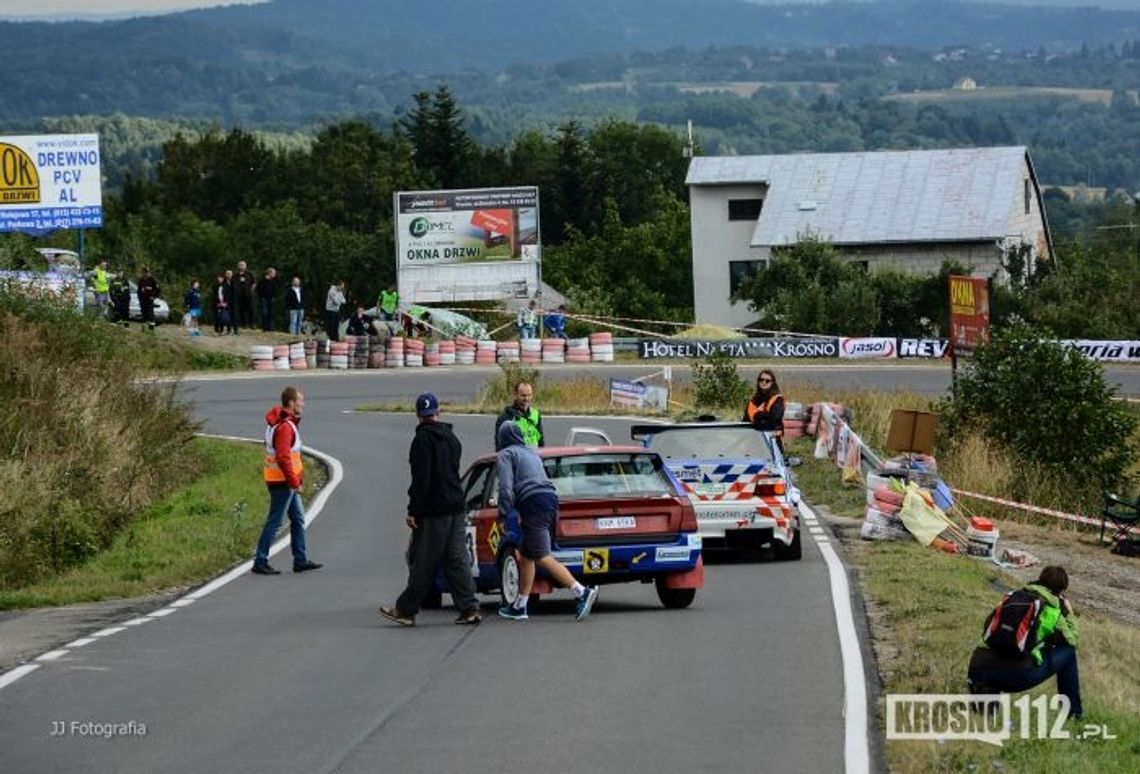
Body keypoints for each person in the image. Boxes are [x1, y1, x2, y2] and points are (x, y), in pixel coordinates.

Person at [379, 393, 482, 627]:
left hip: (434, 510)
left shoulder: (421, 441)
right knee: (456, 558)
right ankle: (470, 607)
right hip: (456, 506)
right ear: (438, 413)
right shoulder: (452, 438)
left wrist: (413, 510)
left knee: (423, 560)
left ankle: (405, 610)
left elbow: (421, 480)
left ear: (418, 416)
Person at [495, 422, 598, 622]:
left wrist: (503, 515)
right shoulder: (532, 453)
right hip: (550, 499)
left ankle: (580, 591)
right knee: (526, 556)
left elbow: (506, 488)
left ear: (503, 438)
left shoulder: (506, 454)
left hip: (532, 502)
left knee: (542, 555)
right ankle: (520, 605)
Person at [967, 566, 1082, 720]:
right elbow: (1072, 639)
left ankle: (985, 697)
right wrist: (1069, 613)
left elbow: (988, 626)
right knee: (1068, 651)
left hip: (978, 666)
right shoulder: (1052, 610)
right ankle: (1074, 713)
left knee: (1003, 651)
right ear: (1061, 591)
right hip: (1014, 675)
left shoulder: (1012, 597)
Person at [252, 386, 323, 575]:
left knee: (298, 519)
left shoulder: (278, 423)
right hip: (283, 482)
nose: (303, 404)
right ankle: (260, 560)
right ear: (291, 402)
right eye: (300, 400)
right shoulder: (284, 427)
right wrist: (294, 482)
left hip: (281, 480)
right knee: (275, 522)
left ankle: (300, 560)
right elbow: (283, 457)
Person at [744, 369, 786, 456]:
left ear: (772, 383)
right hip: (753, 441)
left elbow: (775, 417)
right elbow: (745, 420)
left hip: (772, 441)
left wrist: (757, 415)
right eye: (761, 380)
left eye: (767, 381)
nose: (763, 382)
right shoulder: (753, 401)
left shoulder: (777, 399)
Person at [494, 381, 545, 450]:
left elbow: (540, 440)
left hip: (533, 457)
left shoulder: (535, 414)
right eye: (523, 395)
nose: (526, 399)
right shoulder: (505, 417)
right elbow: (499, 445)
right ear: (515, 395)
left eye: (529, 395)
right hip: (516, 458)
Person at [234, 260, 256, 329]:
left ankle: (252, 324)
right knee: (241, 310)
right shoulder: (236, 275)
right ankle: (244, 324)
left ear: (246, 266)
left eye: (243, 265)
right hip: (239, 295)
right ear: (238, 266)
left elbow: (254, 283)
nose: (242, 266)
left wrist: (252, 290)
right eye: (240, 265)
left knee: (250, 309)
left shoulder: (249, 274)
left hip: (248, 294)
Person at [257, 266, 277, 331]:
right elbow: (258, 289)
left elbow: (275, 289)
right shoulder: (262, 280)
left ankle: (270, 327)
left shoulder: (273, 281)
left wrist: (274, 296)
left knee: (271, 313)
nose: (274, 275)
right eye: (274, 273)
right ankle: (264, 327)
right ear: (269, 273)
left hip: (271, 299)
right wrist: (261, 297)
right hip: (264, 299)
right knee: (264, 313)